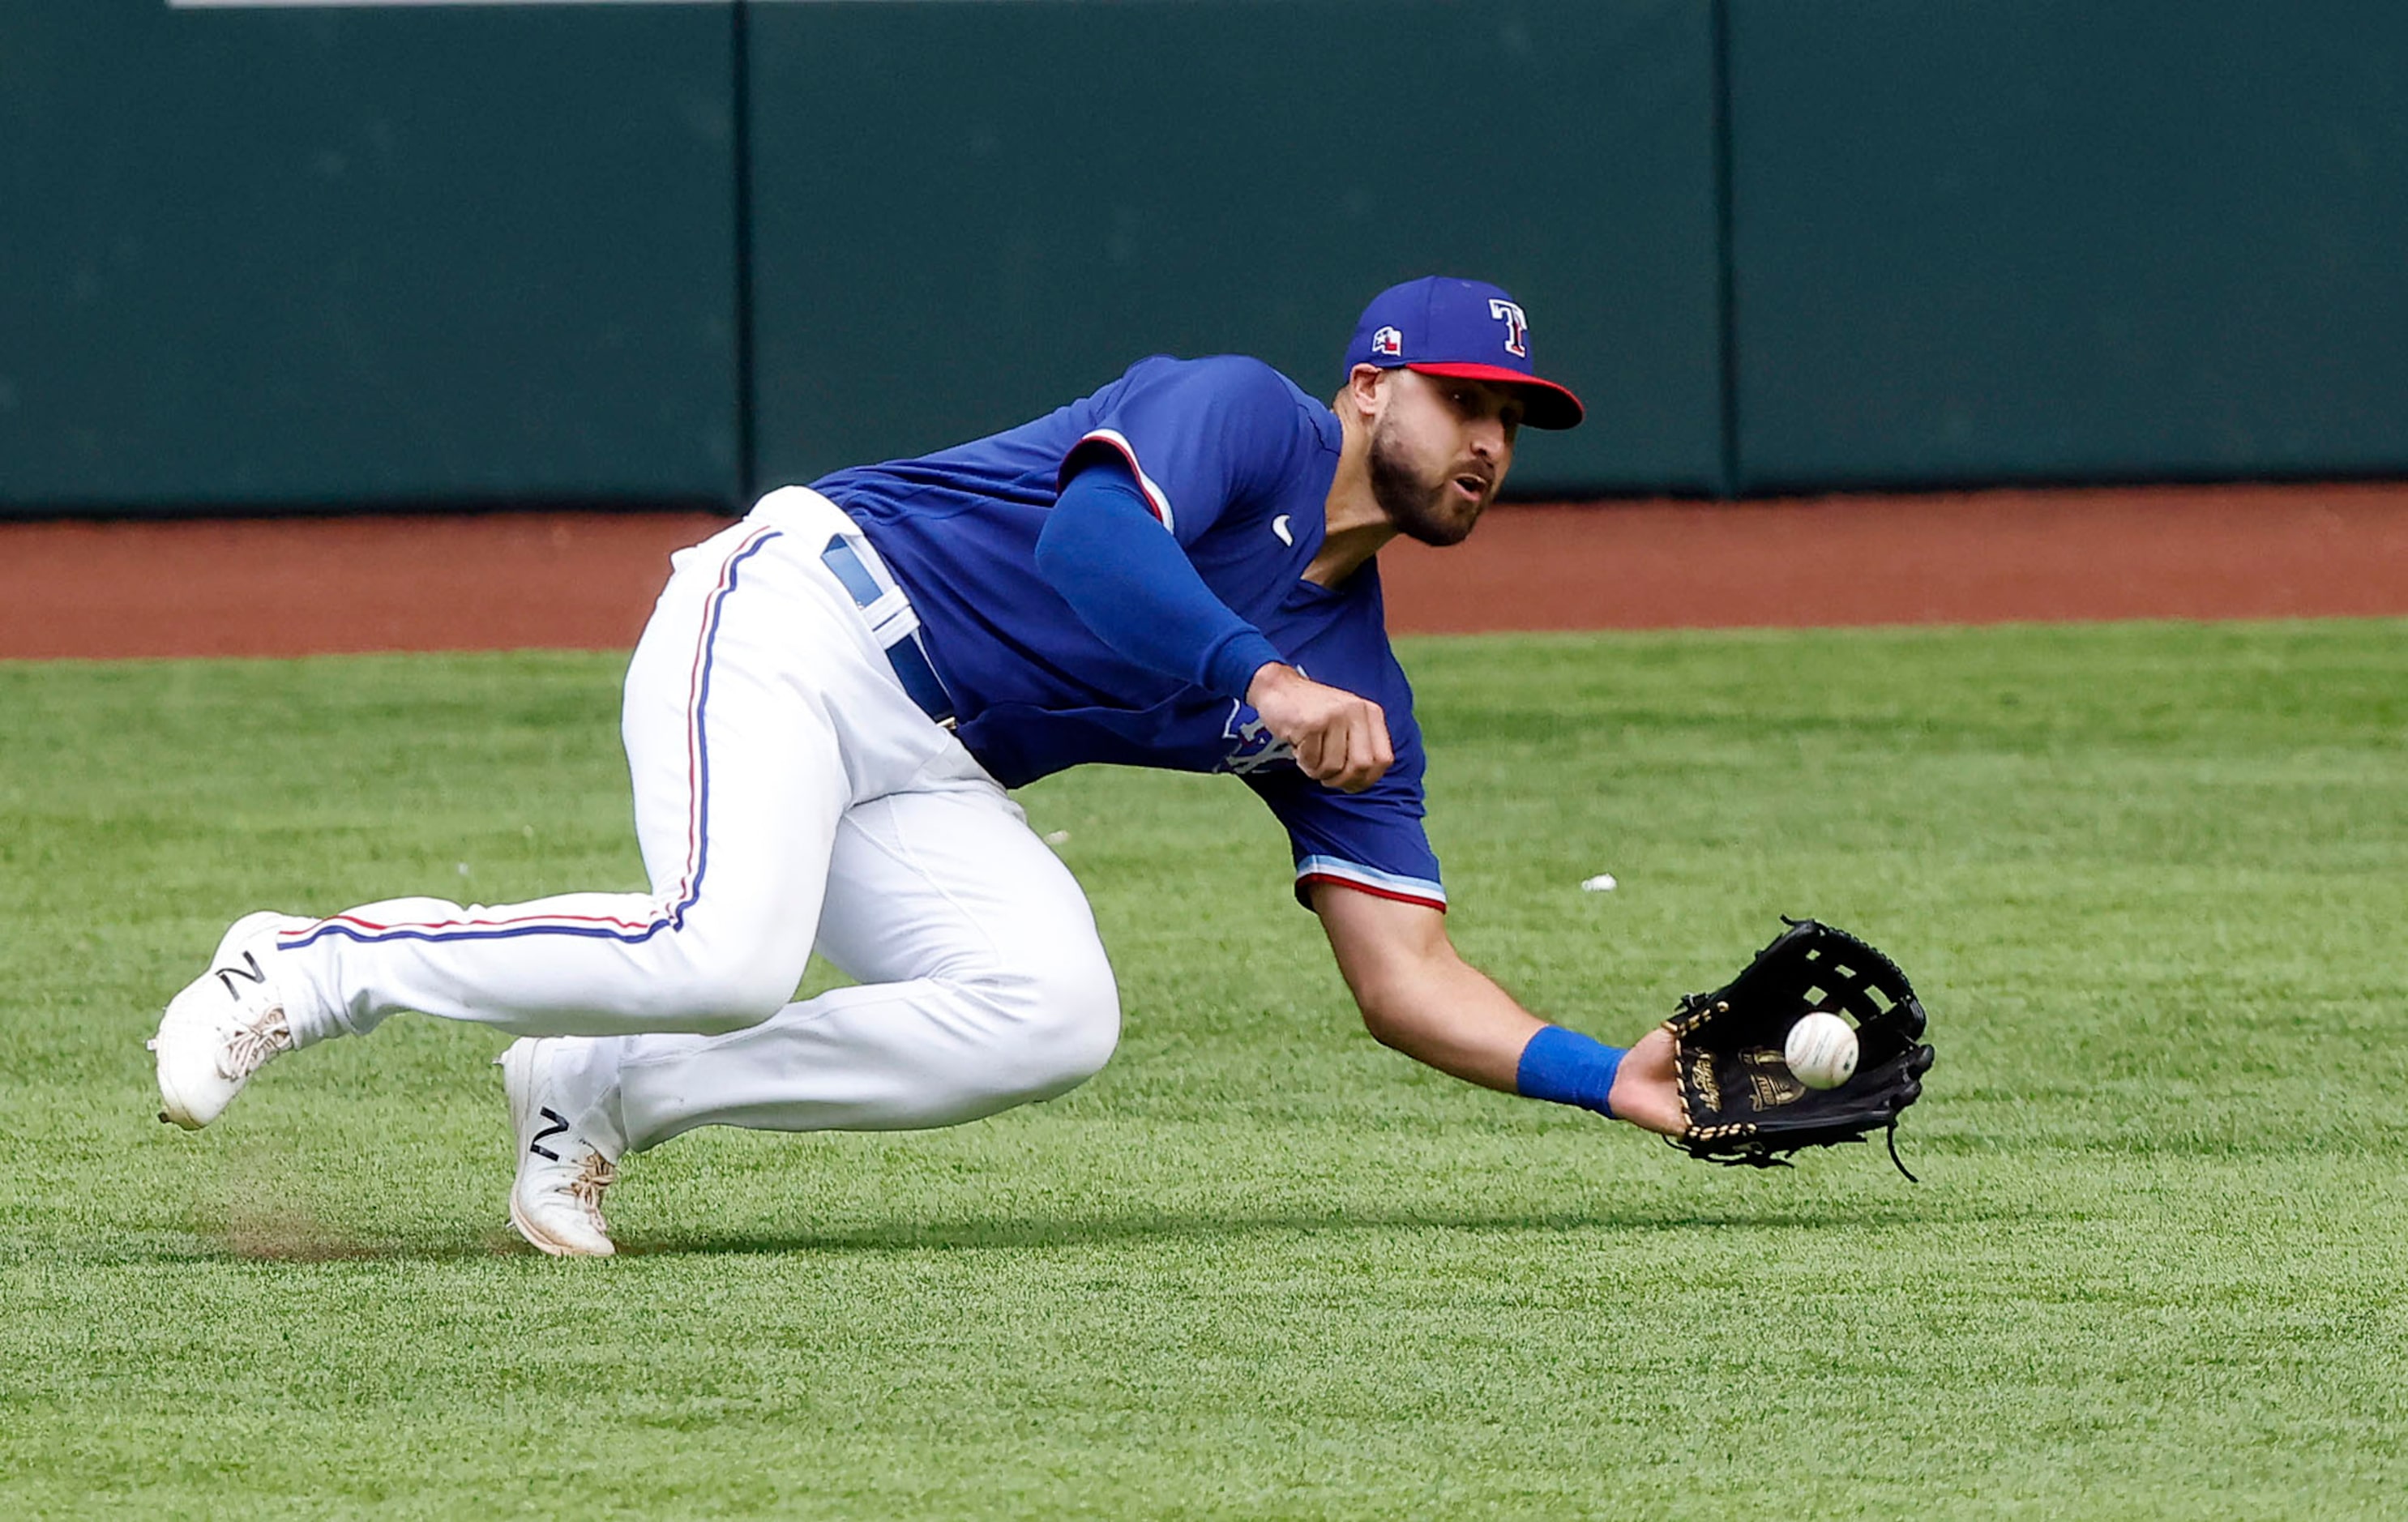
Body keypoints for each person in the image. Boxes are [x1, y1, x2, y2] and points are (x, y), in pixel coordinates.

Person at [151, 276, 1685, 1257]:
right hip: (800, 614)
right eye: (1462, 399)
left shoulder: (1364, 688)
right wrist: (1258, 677)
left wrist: (1602, 1076)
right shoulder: (1237, 415)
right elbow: (1094, 537)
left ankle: (605, 1091)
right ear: (1370, 388)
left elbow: (1402, 973)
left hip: (933, 764)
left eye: (1512, 420)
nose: (1488, 440)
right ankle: (304, 963)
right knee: (719, 947)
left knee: (1055, 1013)